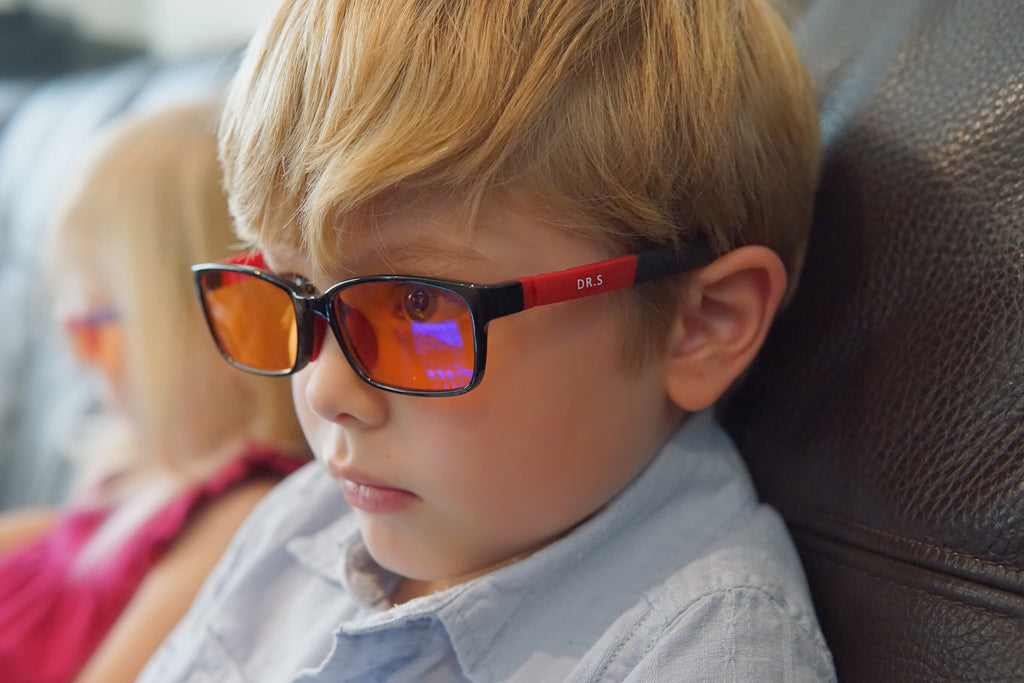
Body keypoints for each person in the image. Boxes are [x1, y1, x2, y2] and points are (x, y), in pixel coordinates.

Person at [140, 0, 835, 679]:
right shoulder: (302, 521)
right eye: (289, 286)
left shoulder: (708, 651)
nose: (324, 389)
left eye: (417, 306)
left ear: (702, 326)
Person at [0, 101, 310, 683]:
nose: (75, 359)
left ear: (211, 328)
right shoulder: (137, 464)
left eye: (94, 333)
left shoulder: (235, 512)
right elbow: (67, 543)